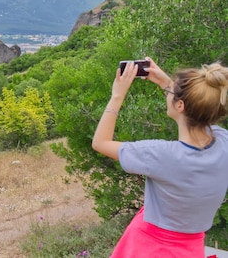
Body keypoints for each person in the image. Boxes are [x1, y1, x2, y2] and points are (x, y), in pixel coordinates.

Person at [92, 57, 228, 257]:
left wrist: (117, 96)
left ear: (180, 105)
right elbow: (198, 107)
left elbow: (100, 143)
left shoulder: (161, 155)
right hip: (191, 248)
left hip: (149, 246)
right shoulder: (223, 143)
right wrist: (166, 83)